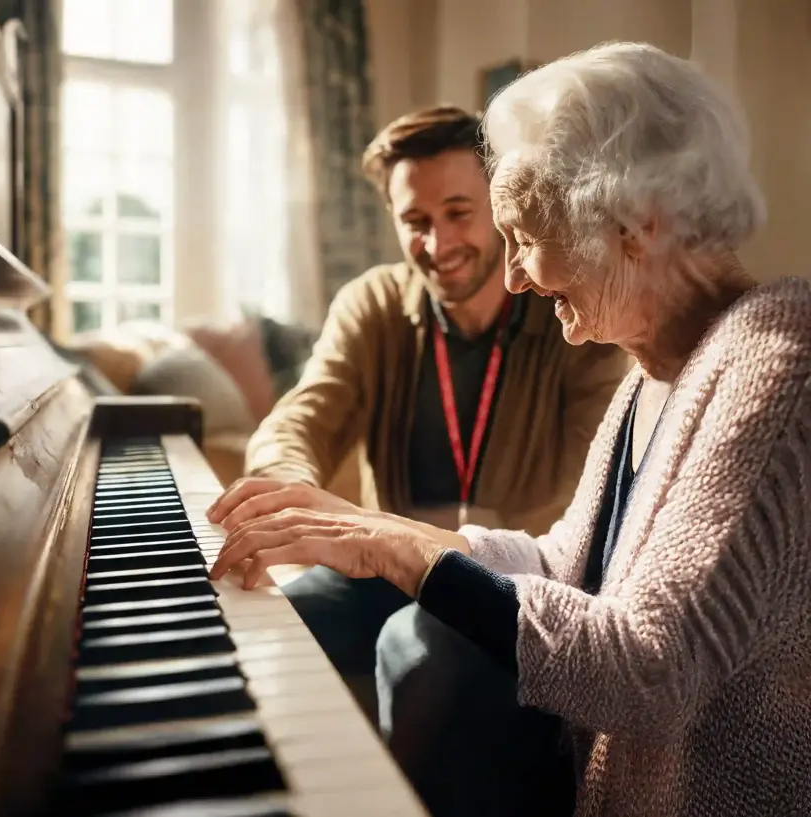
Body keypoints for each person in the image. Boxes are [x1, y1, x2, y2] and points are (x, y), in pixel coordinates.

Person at [208, 42, 811, 817]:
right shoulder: (657, 370)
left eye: (526, 235)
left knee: (422, 651)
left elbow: (652, 670)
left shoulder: (777, 361)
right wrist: (382, 534)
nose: (514, 274)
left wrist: (412, 552)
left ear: (639, 222)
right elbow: (565, 561)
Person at [233, 105, 627, 739]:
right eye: (415, 222)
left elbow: (586, 511)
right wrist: (289, 488)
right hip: (378, 565)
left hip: (512, 578)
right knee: (253, 633)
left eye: (458, 214)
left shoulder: (573, 317)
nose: (438, 246)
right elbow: (301, 418)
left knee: (417, 651)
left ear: (500, 206)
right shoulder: (373, 302)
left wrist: (406, 537)